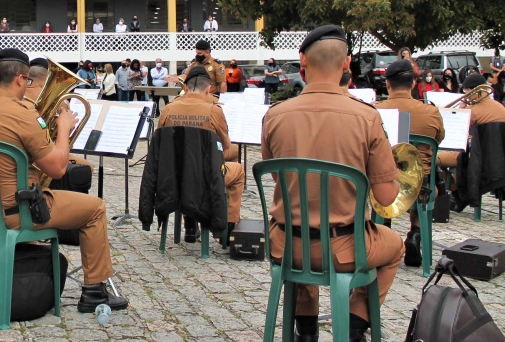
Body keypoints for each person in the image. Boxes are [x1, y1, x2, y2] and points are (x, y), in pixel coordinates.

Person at [262, 25, 403, 342]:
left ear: (303, 62)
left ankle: (307, 330)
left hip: (286, 247)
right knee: (395, 247)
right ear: (346, 65)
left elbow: (277, 177)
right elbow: (386, 195)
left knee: (303, 219)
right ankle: (354, 326)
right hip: (345, 249)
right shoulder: (366, 117)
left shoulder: (274, 115)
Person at [0, 49, 128, 312]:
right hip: (18, 214)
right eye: (28, 81)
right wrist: (63, 128)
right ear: (20, 79)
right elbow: (59, 168)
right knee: (95, 208)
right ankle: (95, 292)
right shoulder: (22, 113)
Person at [158, 65, 245, 242]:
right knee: (237, 169)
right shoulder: (214, 110)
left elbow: (160, 144)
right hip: (205, 179)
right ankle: (227, 225)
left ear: (186, 88)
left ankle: (189, 223)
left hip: (174, 177)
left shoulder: (168, 108)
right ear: (208, 89)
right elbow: (226, 146)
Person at [374, 59, 445, 268]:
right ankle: (415, 233)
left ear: (387, 84)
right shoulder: (431, 112)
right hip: (421, 187)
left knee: (380, 175)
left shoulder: (374, 111)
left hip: (383, 185)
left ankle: (384, 230)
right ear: (414, 83)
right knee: (420, 174)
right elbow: (438, 140)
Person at [436, 74, 505, 169]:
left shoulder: (471, 111)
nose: (465, 93)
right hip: (498, 155)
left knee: (433, 159)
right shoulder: (501, 108)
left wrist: (461, 111)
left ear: (470, 90)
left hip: (475, 156)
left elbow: (460, 135)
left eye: (465, 91)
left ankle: (450, 183)